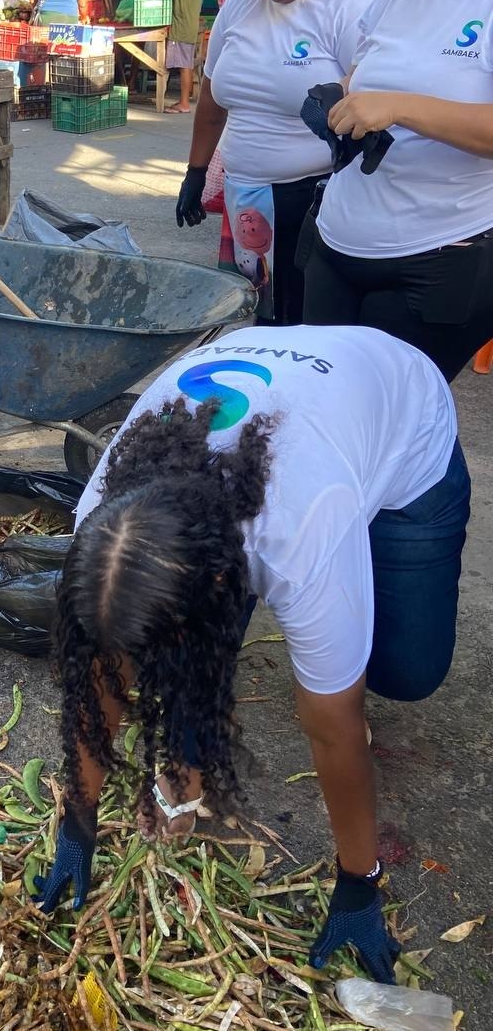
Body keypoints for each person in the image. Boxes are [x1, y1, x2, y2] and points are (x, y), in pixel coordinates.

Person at [34, 325, 469, 986]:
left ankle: (357, 596)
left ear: (221, 579)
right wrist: (78, 818)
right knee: (165, 639)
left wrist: (359, 881)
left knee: (405, 671)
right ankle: (184, 763)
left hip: (401, 419)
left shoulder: (299, 532)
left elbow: (333, 728)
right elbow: (102, 669)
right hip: (291, 412)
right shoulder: (103, 516)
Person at [300, 0, 493, 382]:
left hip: (435, 257)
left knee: (394, 426)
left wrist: (400, 108)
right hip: (340, 239)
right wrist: (340, 101)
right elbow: (366, 69)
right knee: (324, 406)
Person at [175, 0, 380, 325]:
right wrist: (196, 171)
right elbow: (212, 94)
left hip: (316, 205)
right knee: (257, 321)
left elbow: (374, 102)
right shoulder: (242, 2)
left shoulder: (354, 1)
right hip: (246, 198)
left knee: (303, 328)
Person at [151, 0, 205, 114]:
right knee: (184, 64)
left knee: (184, 66)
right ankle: (181, 102)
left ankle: (184, 103)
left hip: (184, 25)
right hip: (181, 23)